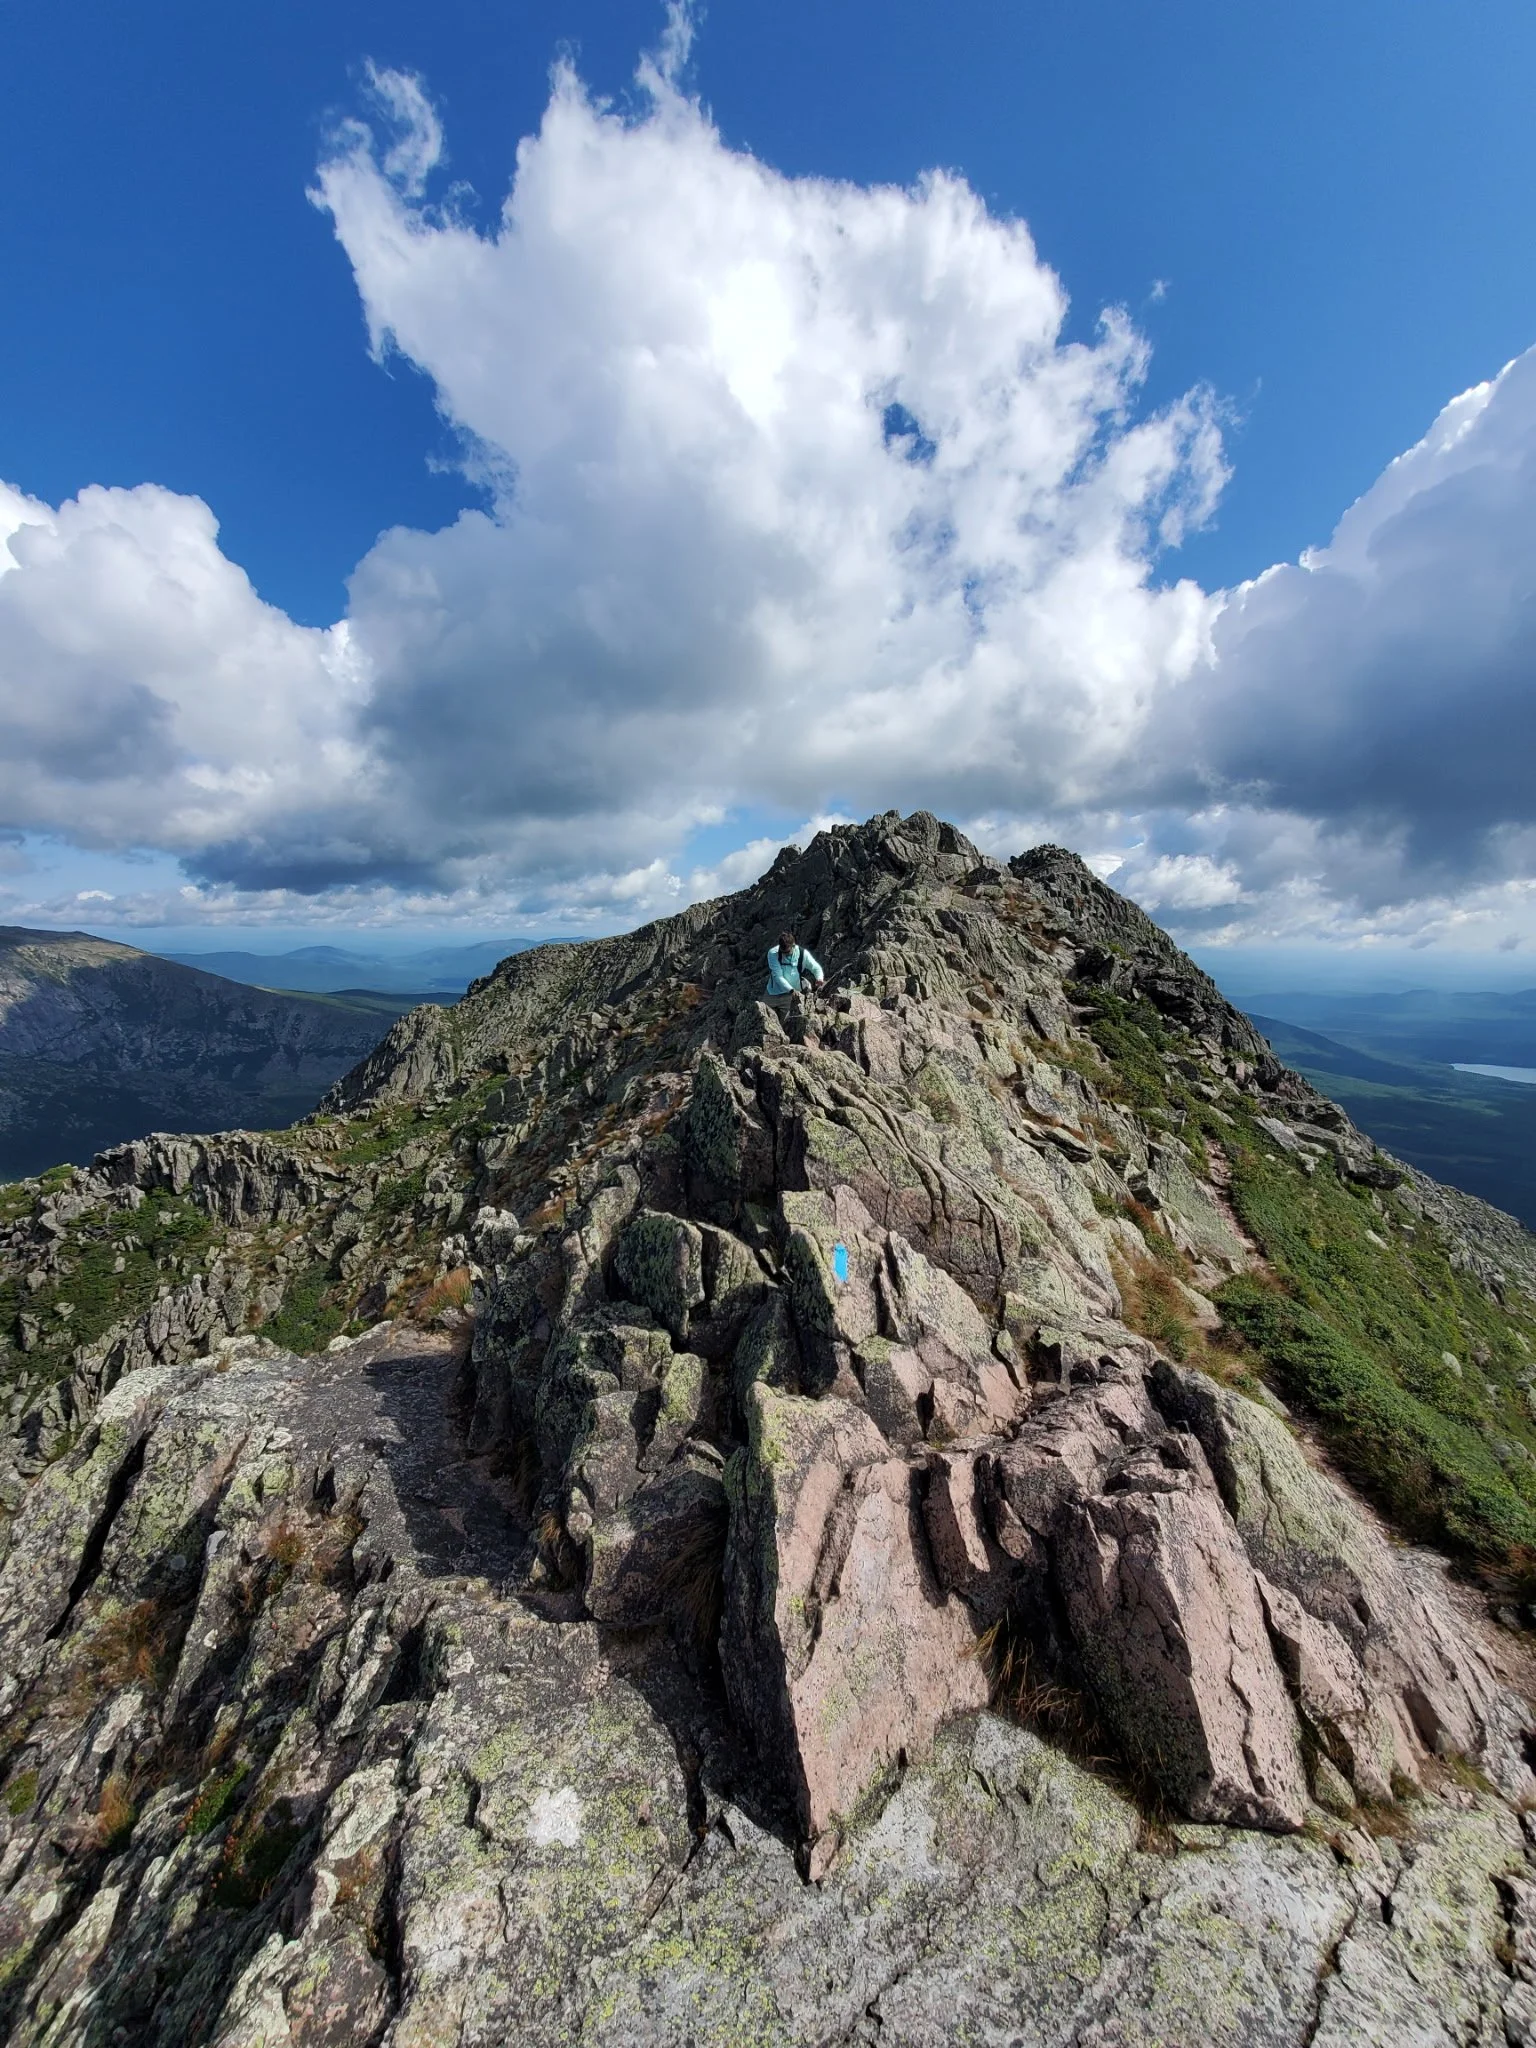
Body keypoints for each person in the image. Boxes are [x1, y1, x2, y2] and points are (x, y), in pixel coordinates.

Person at [764, 929, 825, 1017]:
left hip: (792, 996)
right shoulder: (773, 953)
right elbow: (778, 977)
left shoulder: (803, 954)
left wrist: (819, 978)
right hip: (773, 992)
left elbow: (815, 967)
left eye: (787, 952)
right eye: (782, 952)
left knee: (787, 1024)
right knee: (763, 1018)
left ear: (793, 945)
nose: (785, 954)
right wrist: (791, 990)